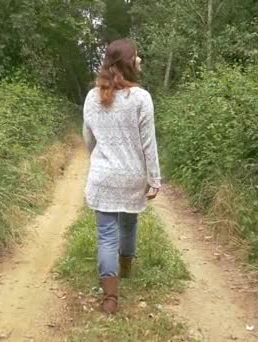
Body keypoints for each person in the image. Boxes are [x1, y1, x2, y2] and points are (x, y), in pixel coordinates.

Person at [82, 39, 161, 314]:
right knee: (128, 225)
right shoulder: (141, 97)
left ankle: (110, 298)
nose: (140, 61)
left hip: (103, 177)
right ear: (129, 62)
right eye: (137, 57)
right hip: (132, 177)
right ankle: (125, 266)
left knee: (106, 235)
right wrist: (154, 178)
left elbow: (88, 139)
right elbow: (148, 143)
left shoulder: (93, 97)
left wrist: (101, 159)